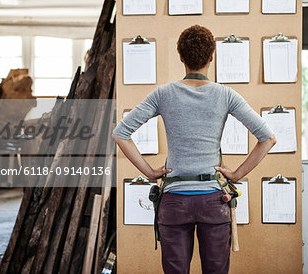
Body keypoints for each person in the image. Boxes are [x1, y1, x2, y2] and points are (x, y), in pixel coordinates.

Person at [112, 25, 277, 274]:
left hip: (174, 201)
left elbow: (120, 133)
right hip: (214, 200)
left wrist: (149, 171)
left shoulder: (163, 94)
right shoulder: (226, 95)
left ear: (181, 57)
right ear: (212, 57)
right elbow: (268, 138)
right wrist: (237, 174)